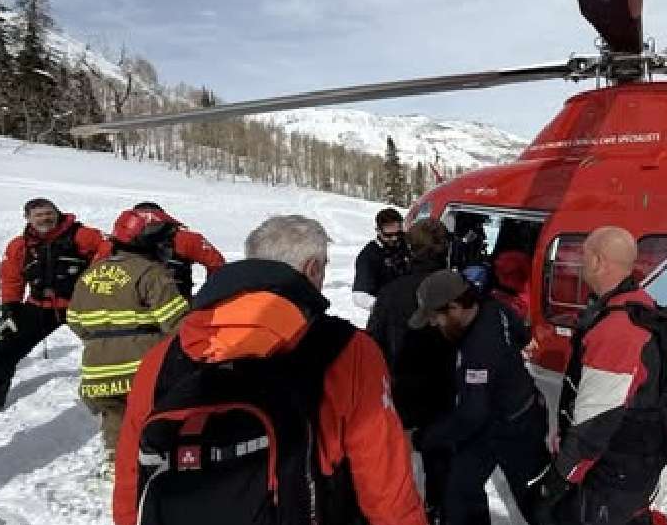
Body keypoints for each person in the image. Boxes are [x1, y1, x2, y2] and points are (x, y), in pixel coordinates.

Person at [113, 215, 426, 525]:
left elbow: (132, 478)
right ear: (313, 270)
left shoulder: (164, 358)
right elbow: (385, 486)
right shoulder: (349, 351)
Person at [533, 227, 665, 525]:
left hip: (612, 471)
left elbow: (596, 422)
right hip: (636, 463)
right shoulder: (640, 305)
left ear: (598, 261)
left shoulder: (616, 330)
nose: (578, 264)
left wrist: (558, 480)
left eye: (583, 256)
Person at [409, 270, 549, 525]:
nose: (432, 324)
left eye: (434, 317)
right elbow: (522, 334)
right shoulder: (493, 307)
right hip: (500, 416)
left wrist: (425, 437)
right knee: (460, 495)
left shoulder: (479, 349)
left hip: (516, 429)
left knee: (538, 503)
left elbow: (472, 415)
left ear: (454, 307)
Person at [0, 198, 108, 426]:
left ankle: (123, 399)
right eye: (39, 215)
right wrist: (10, 309)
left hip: (81, 305)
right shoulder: (19, 245)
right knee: (1, 347)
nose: (45, 218)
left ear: (57, 213)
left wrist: (95, 277)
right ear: (28, 219)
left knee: (114, 345)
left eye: (49, 213)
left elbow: (109, 248)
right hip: (39, 306)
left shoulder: (83, 235)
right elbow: (11, 277)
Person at [66, 208, 188, 473]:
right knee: (152, 420)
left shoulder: (90, 274)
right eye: (166, 241)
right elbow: (177, 324)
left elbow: (75, 319)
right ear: (150, 242)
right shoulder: (151, 273)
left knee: (115, 422)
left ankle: (118, 467)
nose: (169, 247)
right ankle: (155, 472)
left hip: (97, 371)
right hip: (142, 368)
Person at [367, 217, 458, 525]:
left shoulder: (391, 293)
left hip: (402, 396)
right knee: (442, 470)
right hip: (445, 396)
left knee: (402, 472)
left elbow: (372, 345)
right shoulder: (459, 290)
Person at [95, 201, 225, 300]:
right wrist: (205, 299)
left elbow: (94, 272)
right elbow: (217, 264)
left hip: (126, 314)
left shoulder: (113, 242)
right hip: (175, 314)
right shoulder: (185, 238)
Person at [353, 207, 412, 305]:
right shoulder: (369, 255)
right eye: (388, 235)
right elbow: (359, 295)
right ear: (378, 230)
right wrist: (384, 306)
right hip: (387, 310)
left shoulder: (408, 244)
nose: (394, 238)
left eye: (398, 233)